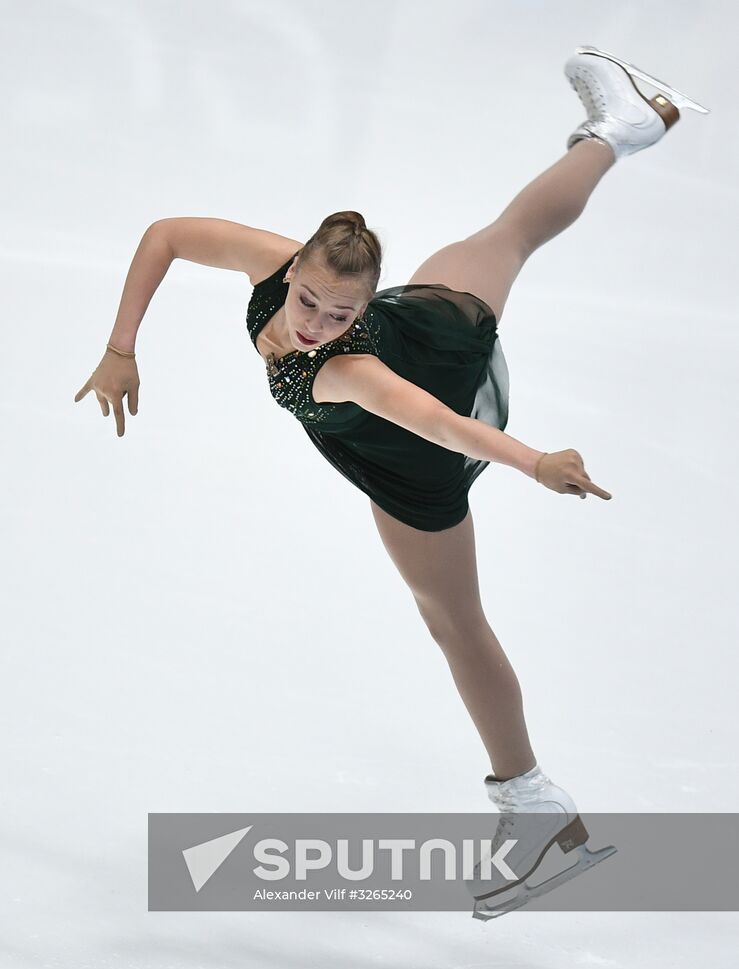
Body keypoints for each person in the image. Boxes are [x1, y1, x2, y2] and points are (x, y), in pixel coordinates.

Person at [74, 45, 709, 917]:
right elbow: (168, 236)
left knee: (454, 621)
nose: (316, 324)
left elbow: (439, 425)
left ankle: (535, 809)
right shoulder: (274, 267)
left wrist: (533, 462)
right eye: (309, 302)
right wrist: (120, 347)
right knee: (501, 238)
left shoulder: (344, 369)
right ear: (292, 266)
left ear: (366, 308)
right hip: (431, 325)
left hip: (415, 450)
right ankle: (618, 130)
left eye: (341, 314)